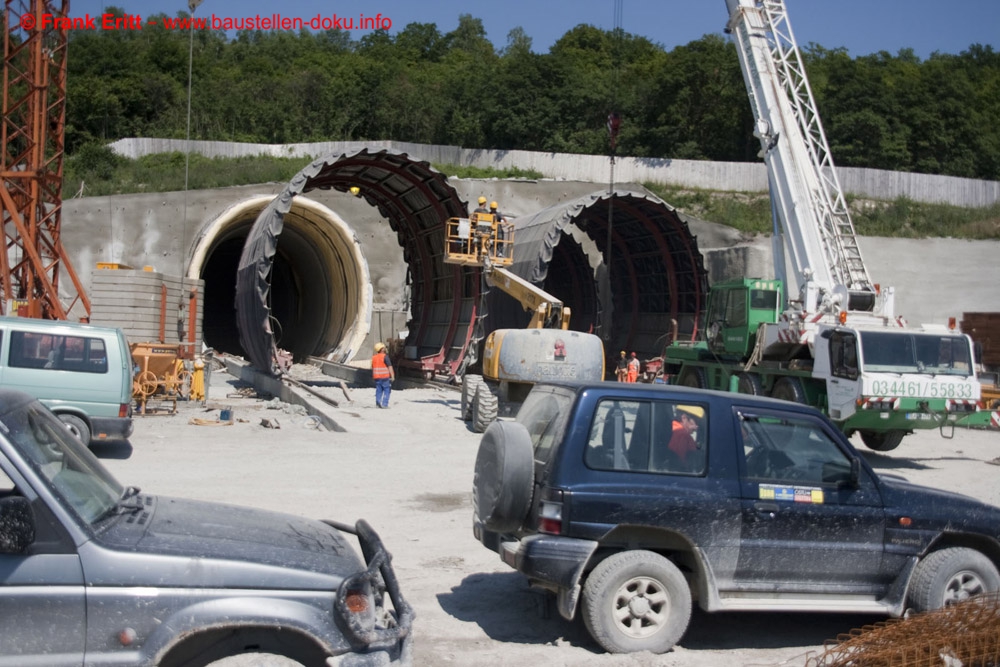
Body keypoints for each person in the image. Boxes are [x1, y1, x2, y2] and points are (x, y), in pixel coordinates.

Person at [371, 342, 395, 408]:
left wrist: (373, 376)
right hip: (384, 377)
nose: (385, 348)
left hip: (377, 377)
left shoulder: (374, 357)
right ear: (381, 349)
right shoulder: (385, 357)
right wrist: (392, 376)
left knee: (379, 390)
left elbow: (373, 367)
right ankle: (385, 404)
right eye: (384, 347)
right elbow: (390, 366)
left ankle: (378, 402)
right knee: (387, 390)